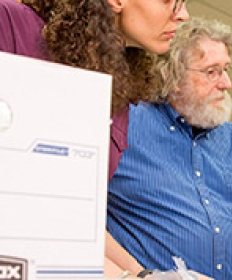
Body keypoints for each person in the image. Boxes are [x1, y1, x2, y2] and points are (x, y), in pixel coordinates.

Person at [0, 0, 189, 278]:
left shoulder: (115, 91)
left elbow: (74, 219)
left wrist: (144, 275)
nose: (183, 15)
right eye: (168, 1)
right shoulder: (12, 24)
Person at [107, 17, 232, 280]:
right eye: (212, 72)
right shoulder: (124, 123)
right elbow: (80, 213)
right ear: (171, 75)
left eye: (227, 70)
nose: (226, 83)